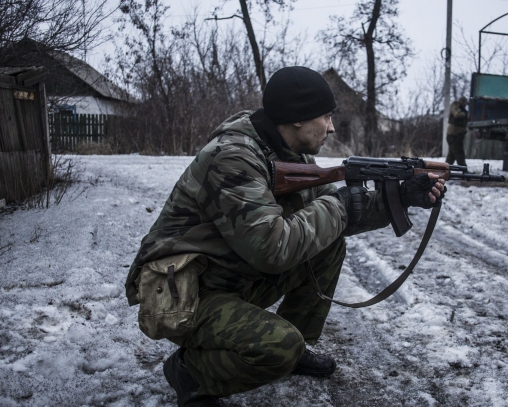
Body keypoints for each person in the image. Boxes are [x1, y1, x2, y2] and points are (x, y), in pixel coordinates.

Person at [124, 66, 446, 407]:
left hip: (231, 276)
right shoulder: (233, 157)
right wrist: (337, 206)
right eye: (326, 116)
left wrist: (400, 197)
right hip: (185, 294)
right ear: (297, 118)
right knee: (279, 346)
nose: (332, 127)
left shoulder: (289, 156)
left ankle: (296, 348)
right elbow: (272, 248)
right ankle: (191, 372)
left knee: (328, 243)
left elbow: (332, 215)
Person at [445, 96, 469, 167]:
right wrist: (465, 114)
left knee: (451, 156)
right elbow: (457, 114)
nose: (465, 105)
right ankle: (463, 168)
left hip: (458, 135)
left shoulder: (463, 109)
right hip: (453, 135)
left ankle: (444, 169)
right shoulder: (455, 106)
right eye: (464, 103)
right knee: (459, 153)